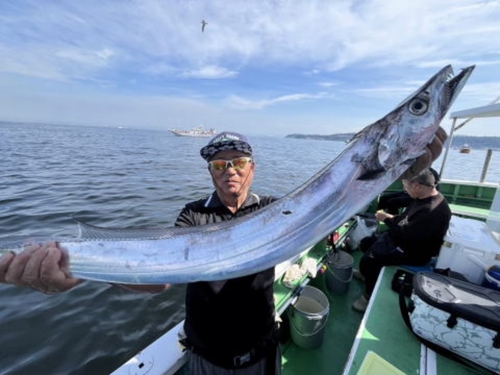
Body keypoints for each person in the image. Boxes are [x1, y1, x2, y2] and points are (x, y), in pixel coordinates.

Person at [0, 127, 447, 374]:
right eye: (219, 164)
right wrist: (81, 271)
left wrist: (392, 172)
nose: (229, 171)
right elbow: (158, 280)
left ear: (252, 168)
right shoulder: (193, 217)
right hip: (204, 356)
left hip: (262, 349)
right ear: (212, 172)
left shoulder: (276, 211)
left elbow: (330, 206)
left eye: (237, 162)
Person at [352, 168, 452, 313]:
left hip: (414, 252)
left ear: (417, 185)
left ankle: (368, 296)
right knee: (366, 243)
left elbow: (407, 236)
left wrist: (386, 219)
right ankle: (365, 275)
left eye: (405, 185)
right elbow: (403, 222)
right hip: (403, 239)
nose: (404, 189)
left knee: (373, 259)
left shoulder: (431, 210)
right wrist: (389, 218)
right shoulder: (421, 198)